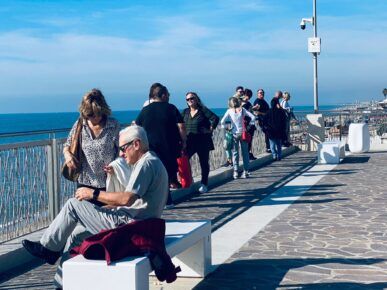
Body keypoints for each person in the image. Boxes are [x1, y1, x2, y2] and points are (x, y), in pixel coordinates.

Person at [22, 125, 169, 289]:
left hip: (130, 226)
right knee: (76, 236)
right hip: (136, 222)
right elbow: (135, 200)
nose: (121, 153)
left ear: (136, 144)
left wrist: (93, 194)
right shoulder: (152, 161)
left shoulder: (146, 164)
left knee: (73, 204)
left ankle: (48, 248)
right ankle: (61, 284)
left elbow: (127, 198)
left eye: (123, 148)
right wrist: (103, 208)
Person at [63, 88, 120, 206]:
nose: (94, 118)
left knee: (106, 221)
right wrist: (68, 156)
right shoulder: (80, 124)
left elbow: (122, 151)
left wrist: (116, 166)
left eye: (97, 114)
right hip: (85, 182)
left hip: (108, 183)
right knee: (85, 219)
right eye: (90, 115)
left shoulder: (113, 125)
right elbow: (67, 145)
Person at [136, 83, 186, 208]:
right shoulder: (171, 108)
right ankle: (167, 201)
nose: (169, 96)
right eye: (168, 94)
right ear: (163, 95)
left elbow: (137, 127)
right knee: (167, 174)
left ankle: (160, 201)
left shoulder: (145, 110)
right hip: (170, 146)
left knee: (156, 173)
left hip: (151, 147)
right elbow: (181, 126)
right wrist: (184, 141)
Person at [182, 92, 219, 193]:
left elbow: (215, 118)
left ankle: (204, 183)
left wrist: (210, 130)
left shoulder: (203, 110)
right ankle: (189, 179)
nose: (190, 101)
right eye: (187, 99)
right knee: (184, 160)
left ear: (197, 99)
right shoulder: (185, 112)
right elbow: (179, 123)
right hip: (189, 142)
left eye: (192, 98)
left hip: (203, 141)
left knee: (203, 163)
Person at [221, 97, 255, 179]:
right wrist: (249, 126)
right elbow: (253, 117)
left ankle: (235, 172)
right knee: (245, 153)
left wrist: (227, 128)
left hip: (234, 134)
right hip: (243, 133)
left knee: (235, 153)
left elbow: (222, 121)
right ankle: (246, 171)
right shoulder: (242, 110)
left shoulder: (229, 111)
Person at [252, 89, 270, 153]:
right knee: (266, 133)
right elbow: (255, 111)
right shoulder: (257, 101)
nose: (261, 94)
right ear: (257, 94)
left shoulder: (263, 100)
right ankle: (267, 148)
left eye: (262, 92)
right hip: (261, 120)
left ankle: (269, 147)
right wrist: (264, 114)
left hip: (266, 119)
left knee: (268, 133)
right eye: (260, 93)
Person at [241, 88, 256, 160]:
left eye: (249, 96)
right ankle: (247, 154)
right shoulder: (241, 103)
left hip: (250, 123)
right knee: (246, 140)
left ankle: (249, 153)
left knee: (249, 140)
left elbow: (250, 111)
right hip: (245, 124)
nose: (248, 98)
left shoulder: (248, 103)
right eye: (247, 96)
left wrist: (254, 108)